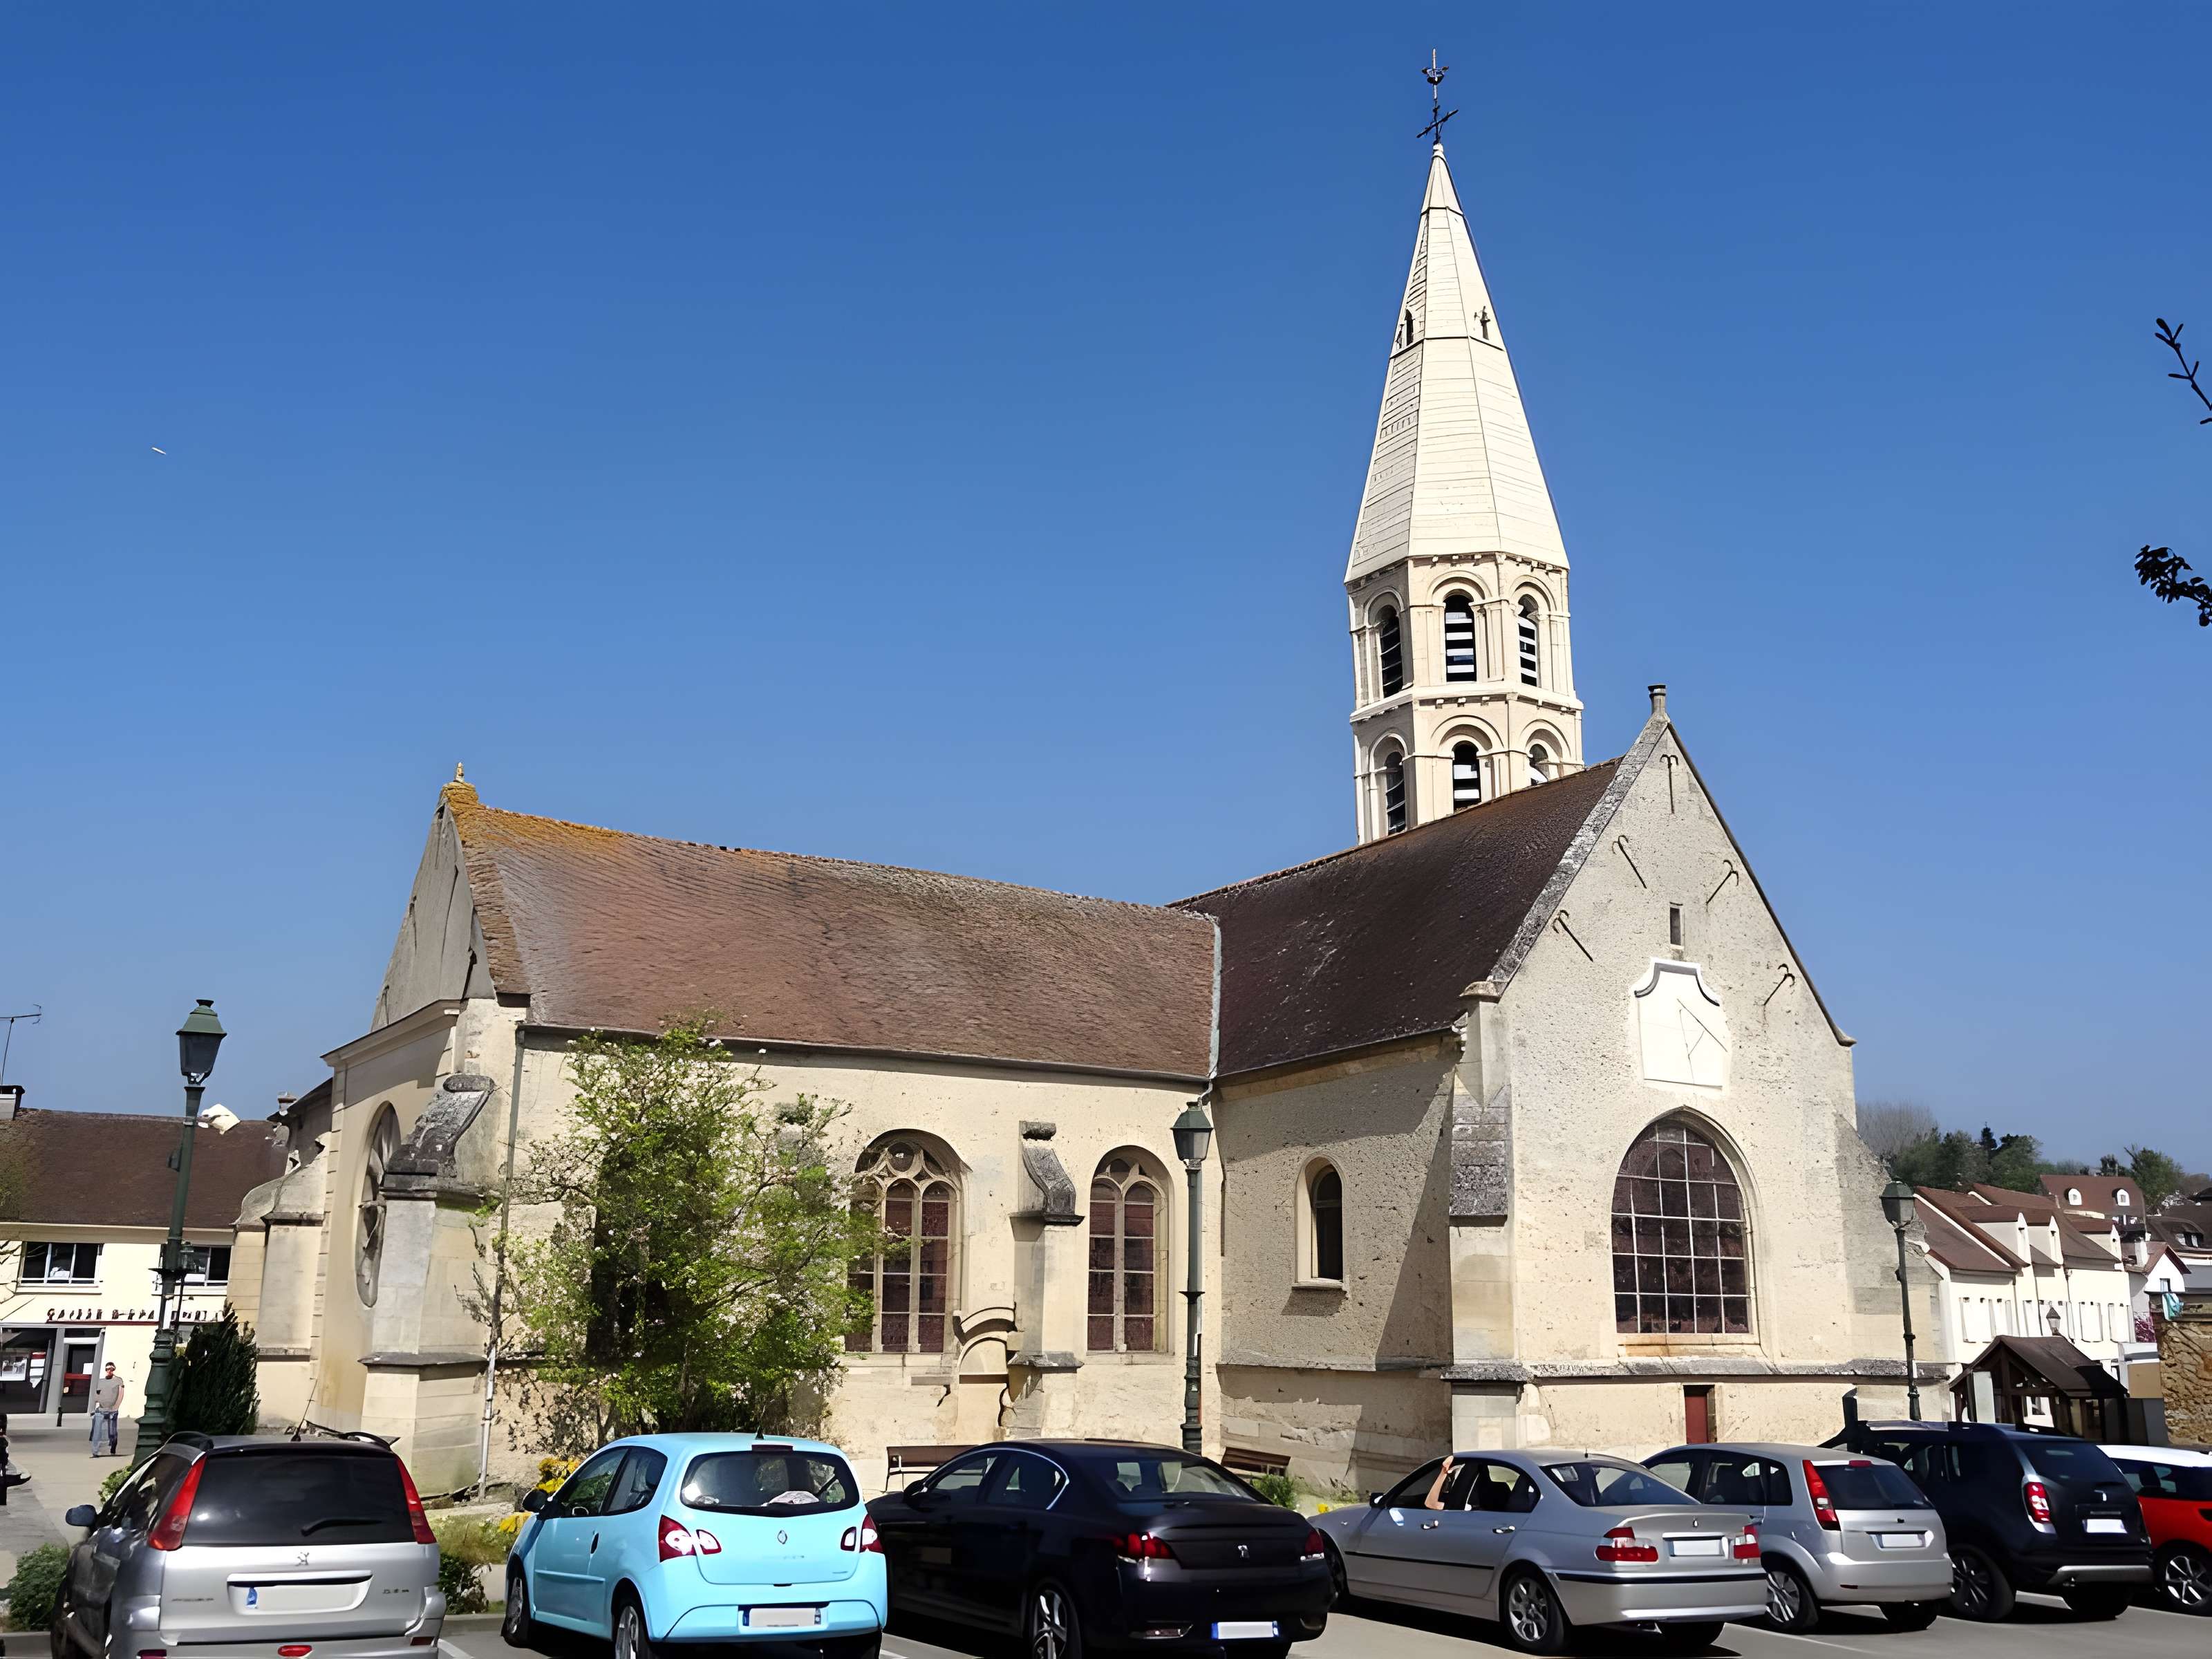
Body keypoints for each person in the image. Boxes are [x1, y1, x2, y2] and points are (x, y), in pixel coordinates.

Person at [90, 1362, 124, 1456]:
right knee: (97, 1432)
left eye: (111, 1369)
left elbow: (121, 1394)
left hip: (112, 1410)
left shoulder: (118, 1381)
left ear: (114, 1370)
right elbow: (96, 1394)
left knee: (112, 1433)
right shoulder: (101, 1381)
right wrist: (95, 1405)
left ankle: (113, 1448)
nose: (109, 1371)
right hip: (101, 1410)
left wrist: (116, 1407)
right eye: (107, 1369)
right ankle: (95, 1451)